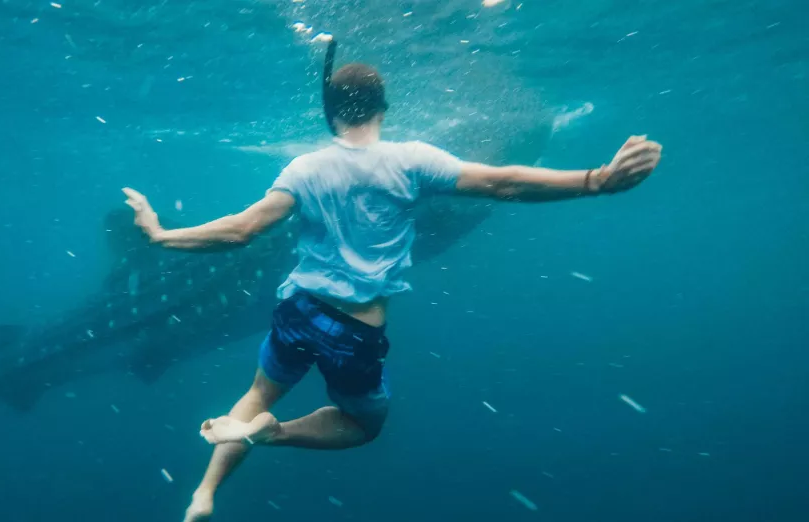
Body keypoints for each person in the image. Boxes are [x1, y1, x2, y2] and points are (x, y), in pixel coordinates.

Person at [123, 51, 662, 522]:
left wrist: (162, 234)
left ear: (330, 114)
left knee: (257, 393)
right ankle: (275, 435)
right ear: (384, 109)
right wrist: (594, 181)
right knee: (362, 425)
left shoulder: (304, 168)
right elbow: (506, 181)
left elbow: (239, 230)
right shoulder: (413, 161)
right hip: (354, 328)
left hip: (297, 308)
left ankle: (205, 492)